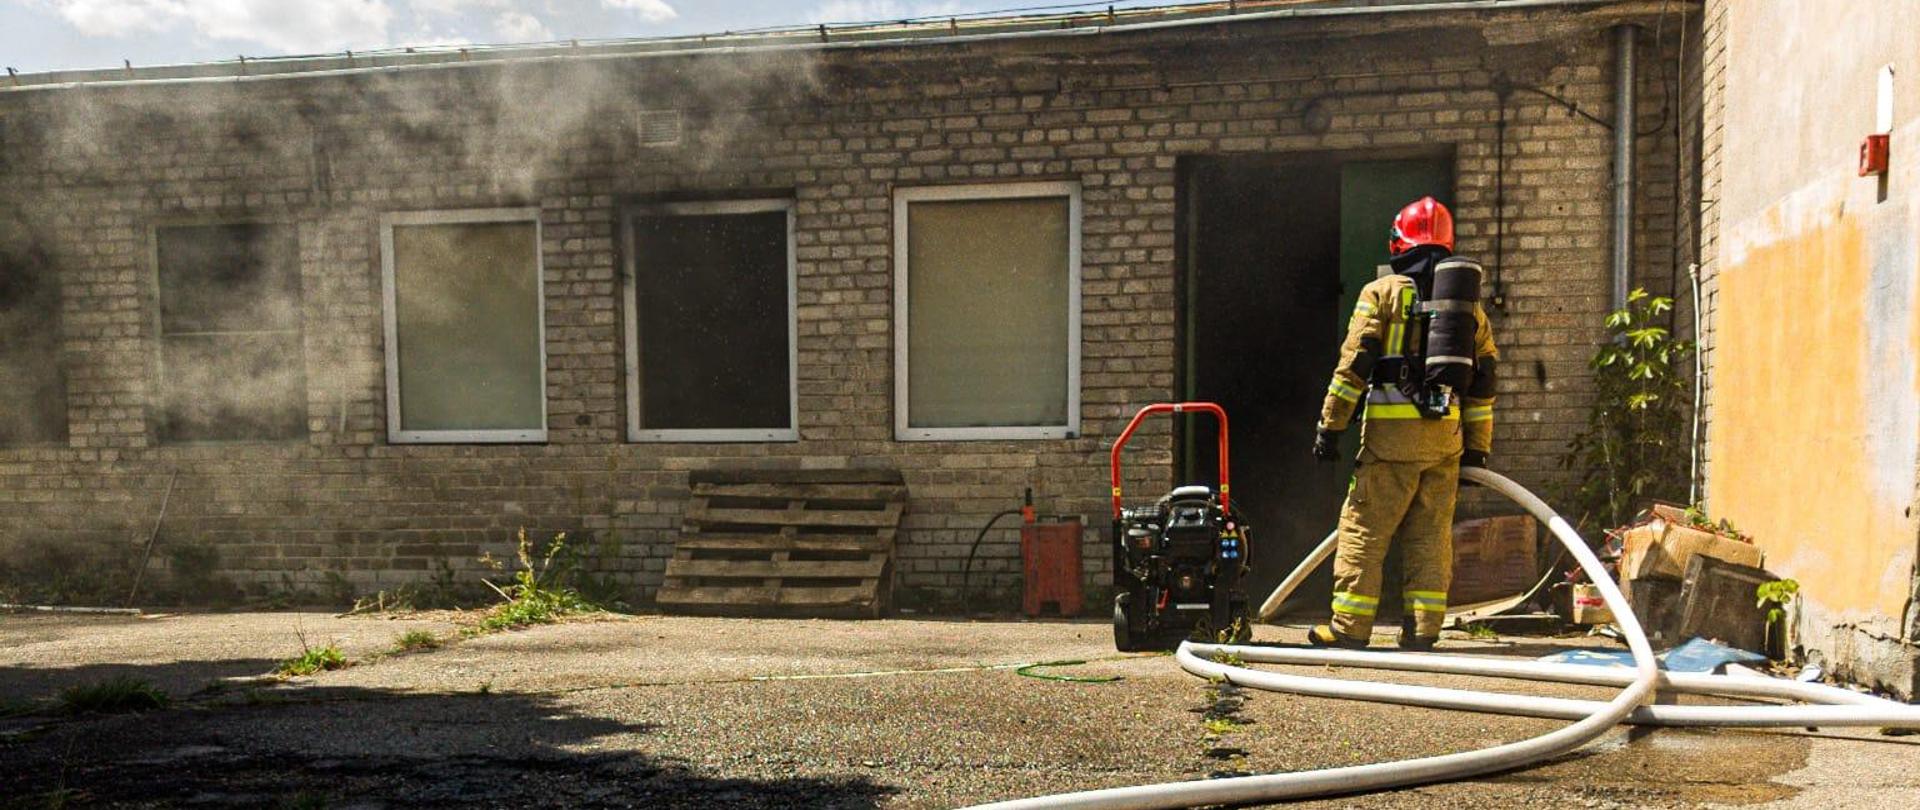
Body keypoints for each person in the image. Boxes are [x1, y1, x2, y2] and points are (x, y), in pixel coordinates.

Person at [1307, 196, 1499, 651]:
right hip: (1444, 441)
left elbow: (1354, 364)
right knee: (1430, 535)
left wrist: (1330, 427)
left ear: (1399, 242)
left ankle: (1349, 629)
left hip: (1391, 444)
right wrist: (1477, 448)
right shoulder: (1467, 307)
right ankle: (1424, 629)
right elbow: (1484, 382)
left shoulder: (1382, 293)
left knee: (1364, 530)